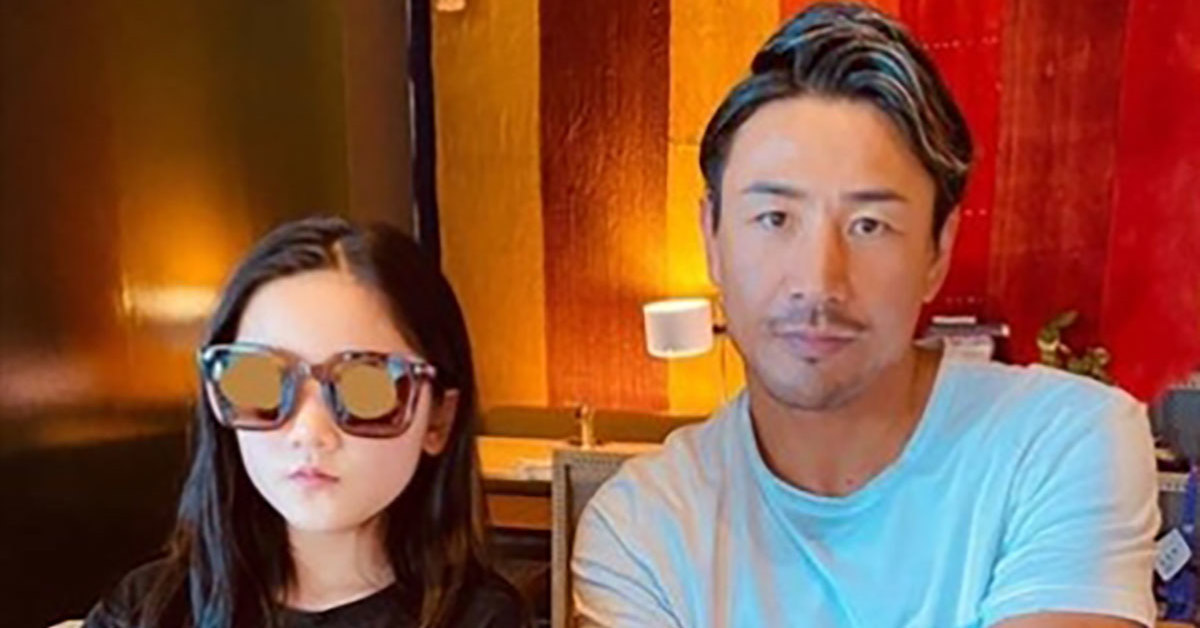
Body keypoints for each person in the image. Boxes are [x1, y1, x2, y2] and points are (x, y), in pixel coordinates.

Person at [572, 3, 1158, 627]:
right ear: (711, 237)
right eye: (775, 218)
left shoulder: (1061, 442)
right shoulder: (642, 528)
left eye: (870, 225)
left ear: (938, 251)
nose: (818, 281)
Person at [85, 217, 527, 627]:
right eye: (259, 381)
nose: (308, 432)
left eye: (366, 387)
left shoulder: (483, 619)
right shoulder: (149, 608)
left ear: (438, 418)